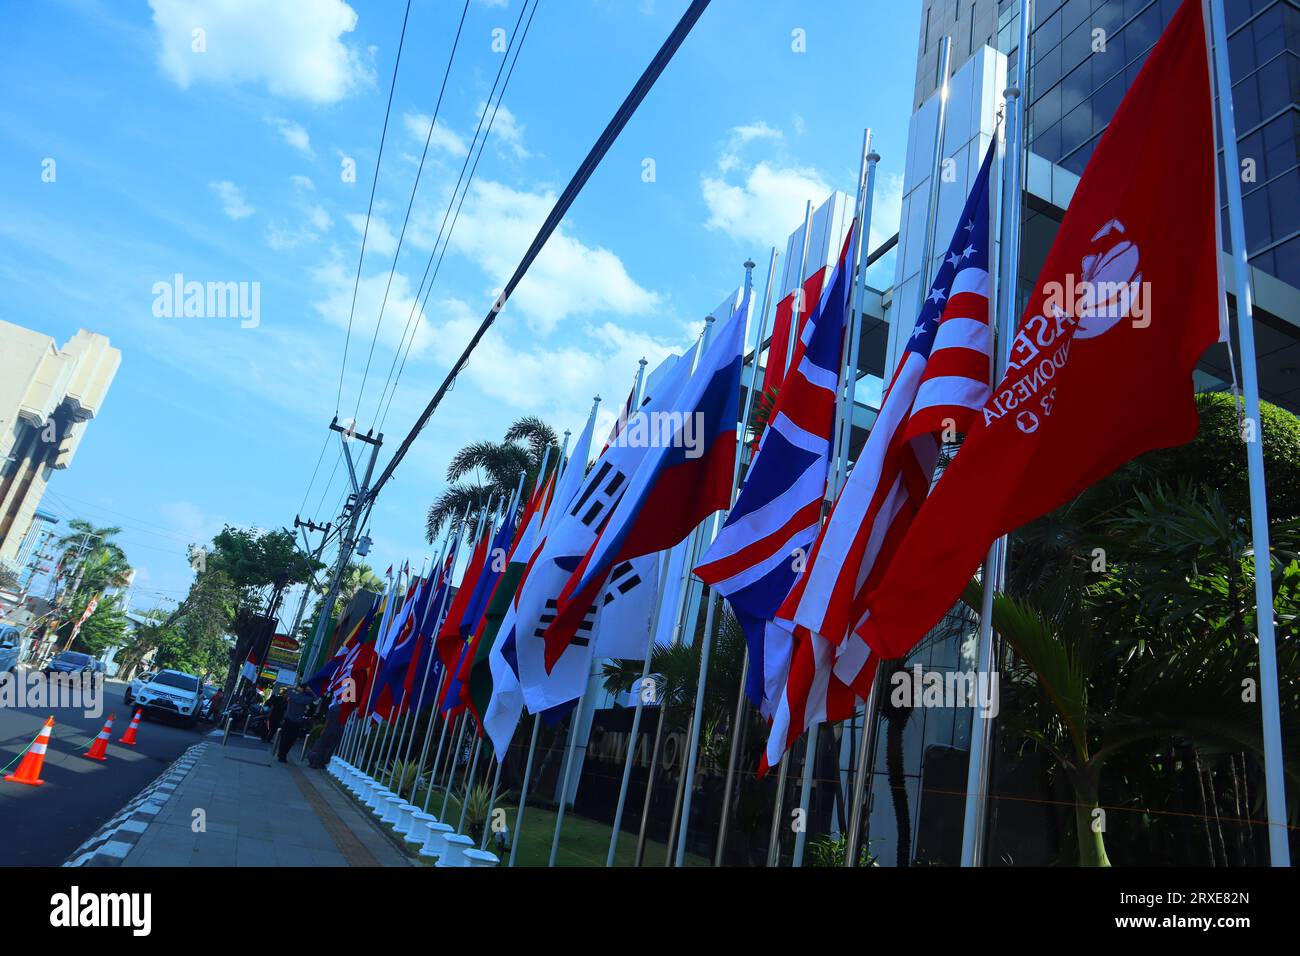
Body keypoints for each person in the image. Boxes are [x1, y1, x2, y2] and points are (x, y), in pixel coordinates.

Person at [276, 683, 317, 763]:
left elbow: (287, 689)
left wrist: (294, 688)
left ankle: (281, 754)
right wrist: (310, 691)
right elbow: (315, 699)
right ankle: (283, 754)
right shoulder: (305, 699)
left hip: (288, 720)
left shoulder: (292, 695)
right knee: (291, 740)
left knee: (284, 738)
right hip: (297, 722)